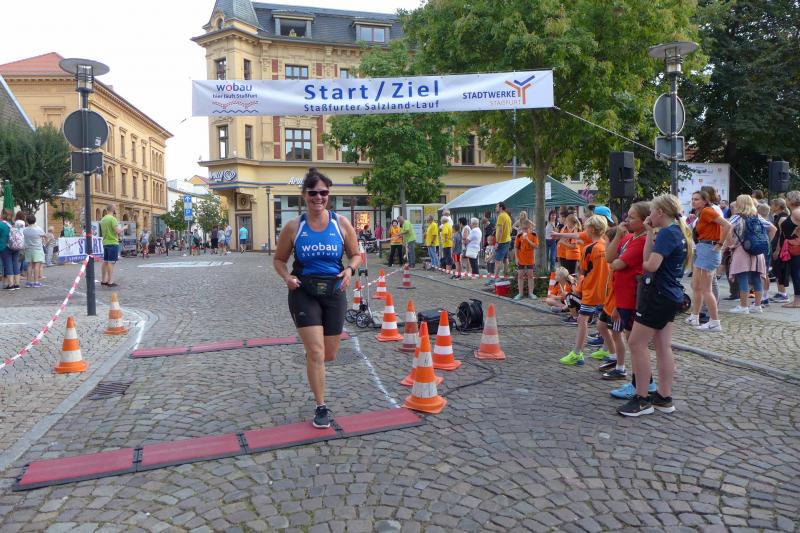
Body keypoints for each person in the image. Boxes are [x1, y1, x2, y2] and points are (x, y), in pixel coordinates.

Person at [273, 168, 360, 429]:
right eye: (313, 193)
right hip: (303, 291)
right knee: (316, 351)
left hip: (334, 291)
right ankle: (321, 406)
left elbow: (356, 255)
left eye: (323, 192)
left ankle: (314, 356)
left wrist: (349, 270)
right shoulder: (294, 227)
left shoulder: (340, 223)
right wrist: (287, 277)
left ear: (328, 195)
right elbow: (279, 260)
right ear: (304, 195)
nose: (318, 197)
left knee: (329, 354)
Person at [619, 194, 693, 417]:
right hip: (669, 295)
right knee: (662, 346)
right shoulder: (676, 231)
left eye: (652, 210)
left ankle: (642, 398)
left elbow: (650, 265)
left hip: (657, 295)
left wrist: (644, 261)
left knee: (636, 343)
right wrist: (650, 232)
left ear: (660, 212)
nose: (649, 214)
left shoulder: (668, 233)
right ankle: (664, 397)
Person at [604, 202, 651, 391]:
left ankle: (640, 384)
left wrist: (616, 262)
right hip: (622, 297)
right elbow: (609, 258)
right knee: (632, 342)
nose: (627, 220)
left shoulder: (642, 240)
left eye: (632, 217)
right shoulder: (629, 237)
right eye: (627, 216)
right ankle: (642, 383)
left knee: (635, 344)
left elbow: (618, 264)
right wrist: (618, 236)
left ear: (644, 220)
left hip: (632, 297)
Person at [560, 215, 609, 366]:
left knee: (582, 320)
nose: (584, 231)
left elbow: (583, 272)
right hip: (606, 290)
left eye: (586, 228)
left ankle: (577, 353)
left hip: (591, 290)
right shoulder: (607, 245)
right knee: (604, 321)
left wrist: (579, 289)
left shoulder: (589, 249)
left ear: (592, 230)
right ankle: (606, 349)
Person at [686, 190, 731, 331]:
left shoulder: (707, 211)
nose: (693, 201)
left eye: (697, 199)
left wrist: (720, 244)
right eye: (693, 199)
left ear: (705, 201)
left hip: (708, 249)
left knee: (706, 289)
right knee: (696, 285)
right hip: (703, 248)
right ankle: (695, 316)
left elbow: (727, 225)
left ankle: (715, 321)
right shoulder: (701, 213)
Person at [723, 195, 775, 314]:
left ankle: (743, 306)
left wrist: (730, 244)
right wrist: (766, 242)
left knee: (743, 277)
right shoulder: (757, 216)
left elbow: (727, 228)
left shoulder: (736, 217)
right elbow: (773, 229)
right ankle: (757, 306)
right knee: (757, 277)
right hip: (757, 251)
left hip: (741, 250)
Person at [777, 190, 800, 308]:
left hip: (796, 247)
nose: (785, 200)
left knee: (796, 274)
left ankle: (797, 301)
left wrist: (797, 232)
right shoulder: (794, 212)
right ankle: (797, 300)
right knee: (795, 274)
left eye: (787, 198)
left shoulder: (796, 212)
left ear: (791, 200)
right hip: (793, 247)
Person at [99, 204, 125, 287]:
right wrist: (124, 228)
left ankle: (103, 280)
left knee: (105, 261)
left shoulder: (103, 219)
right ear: (113, 210)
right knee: (111, 262)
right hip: (112, 242)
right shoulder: (113, 219)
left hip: (105, 242)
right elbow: (117, 231)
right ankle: (110, 281)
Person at [513, 220, 538, 299]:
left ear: (530, 228)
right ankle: (520, 293)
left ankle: (531, 293)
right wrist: (516, 258)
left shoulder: (534, 235)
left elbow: (536, 246)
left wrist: (527, 239)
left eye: (527, 229)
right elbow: (516, 247)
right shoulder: (519, 236)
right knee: (520, 276)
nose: (525, 230)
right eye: (523, 228)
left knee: (530, 276)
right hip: (521, 259)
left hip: (530, 259)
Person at [22, 214, 45, 288]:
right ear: (35, 220)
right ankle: (36, 282)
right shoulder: (38, 229)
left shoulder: (25, 230)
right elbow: (44, 235)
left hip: (28, 249)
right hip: (37, 249)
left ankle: (28, 282)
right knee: (36, 266)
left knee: (29, 265)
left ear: (27, 221)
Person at [1, 209, 21, 290]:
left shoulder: (1, 224)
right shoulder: (14, 224)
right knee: (15, 263)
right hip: (16, 246)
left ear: (2, 214)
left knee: (8, 264)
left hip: (5, 246)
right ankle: (17, 284)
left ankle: (11, 284)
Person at [492, 202, 513, 279]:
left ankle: (495, 279)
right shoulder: (507, 216)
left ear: (500, 208)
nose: (495, 208)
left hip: (502, 241)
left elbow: (500, 231)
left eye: (496, 207)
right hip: (507, 240)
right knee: (505, 259)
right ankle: (506, 276)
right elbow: (510, 230)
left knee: (498, 261)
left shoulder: (501, 216)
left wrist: (497, 242)